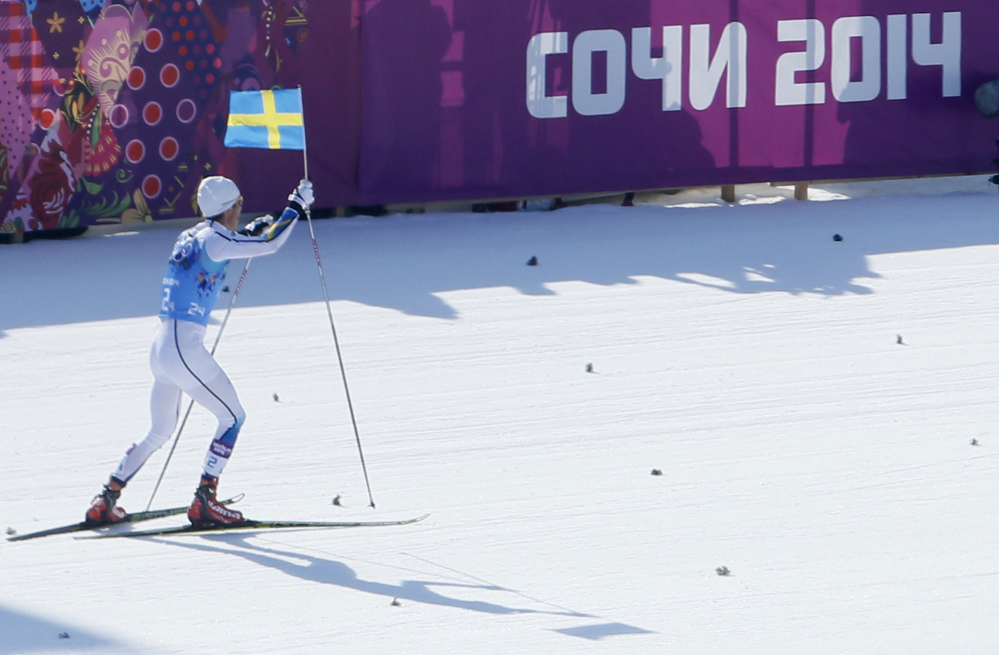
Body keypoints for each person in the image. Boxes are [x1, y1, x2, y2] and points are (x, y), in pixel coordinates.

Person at [85, 176, 315, 526]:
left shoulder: (191, 235)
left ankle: (106, 497)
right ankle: (205, 499)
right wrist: (295, 207)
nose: (241, 210)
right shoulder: (219, 239)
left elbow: (225, 245)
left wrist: (248, 232)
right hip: (184, 350)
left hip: (161, 346)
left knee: (158, 432)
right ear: (229, 208)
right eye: (239, 205)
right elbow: (269, 243)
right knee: (233, 417)